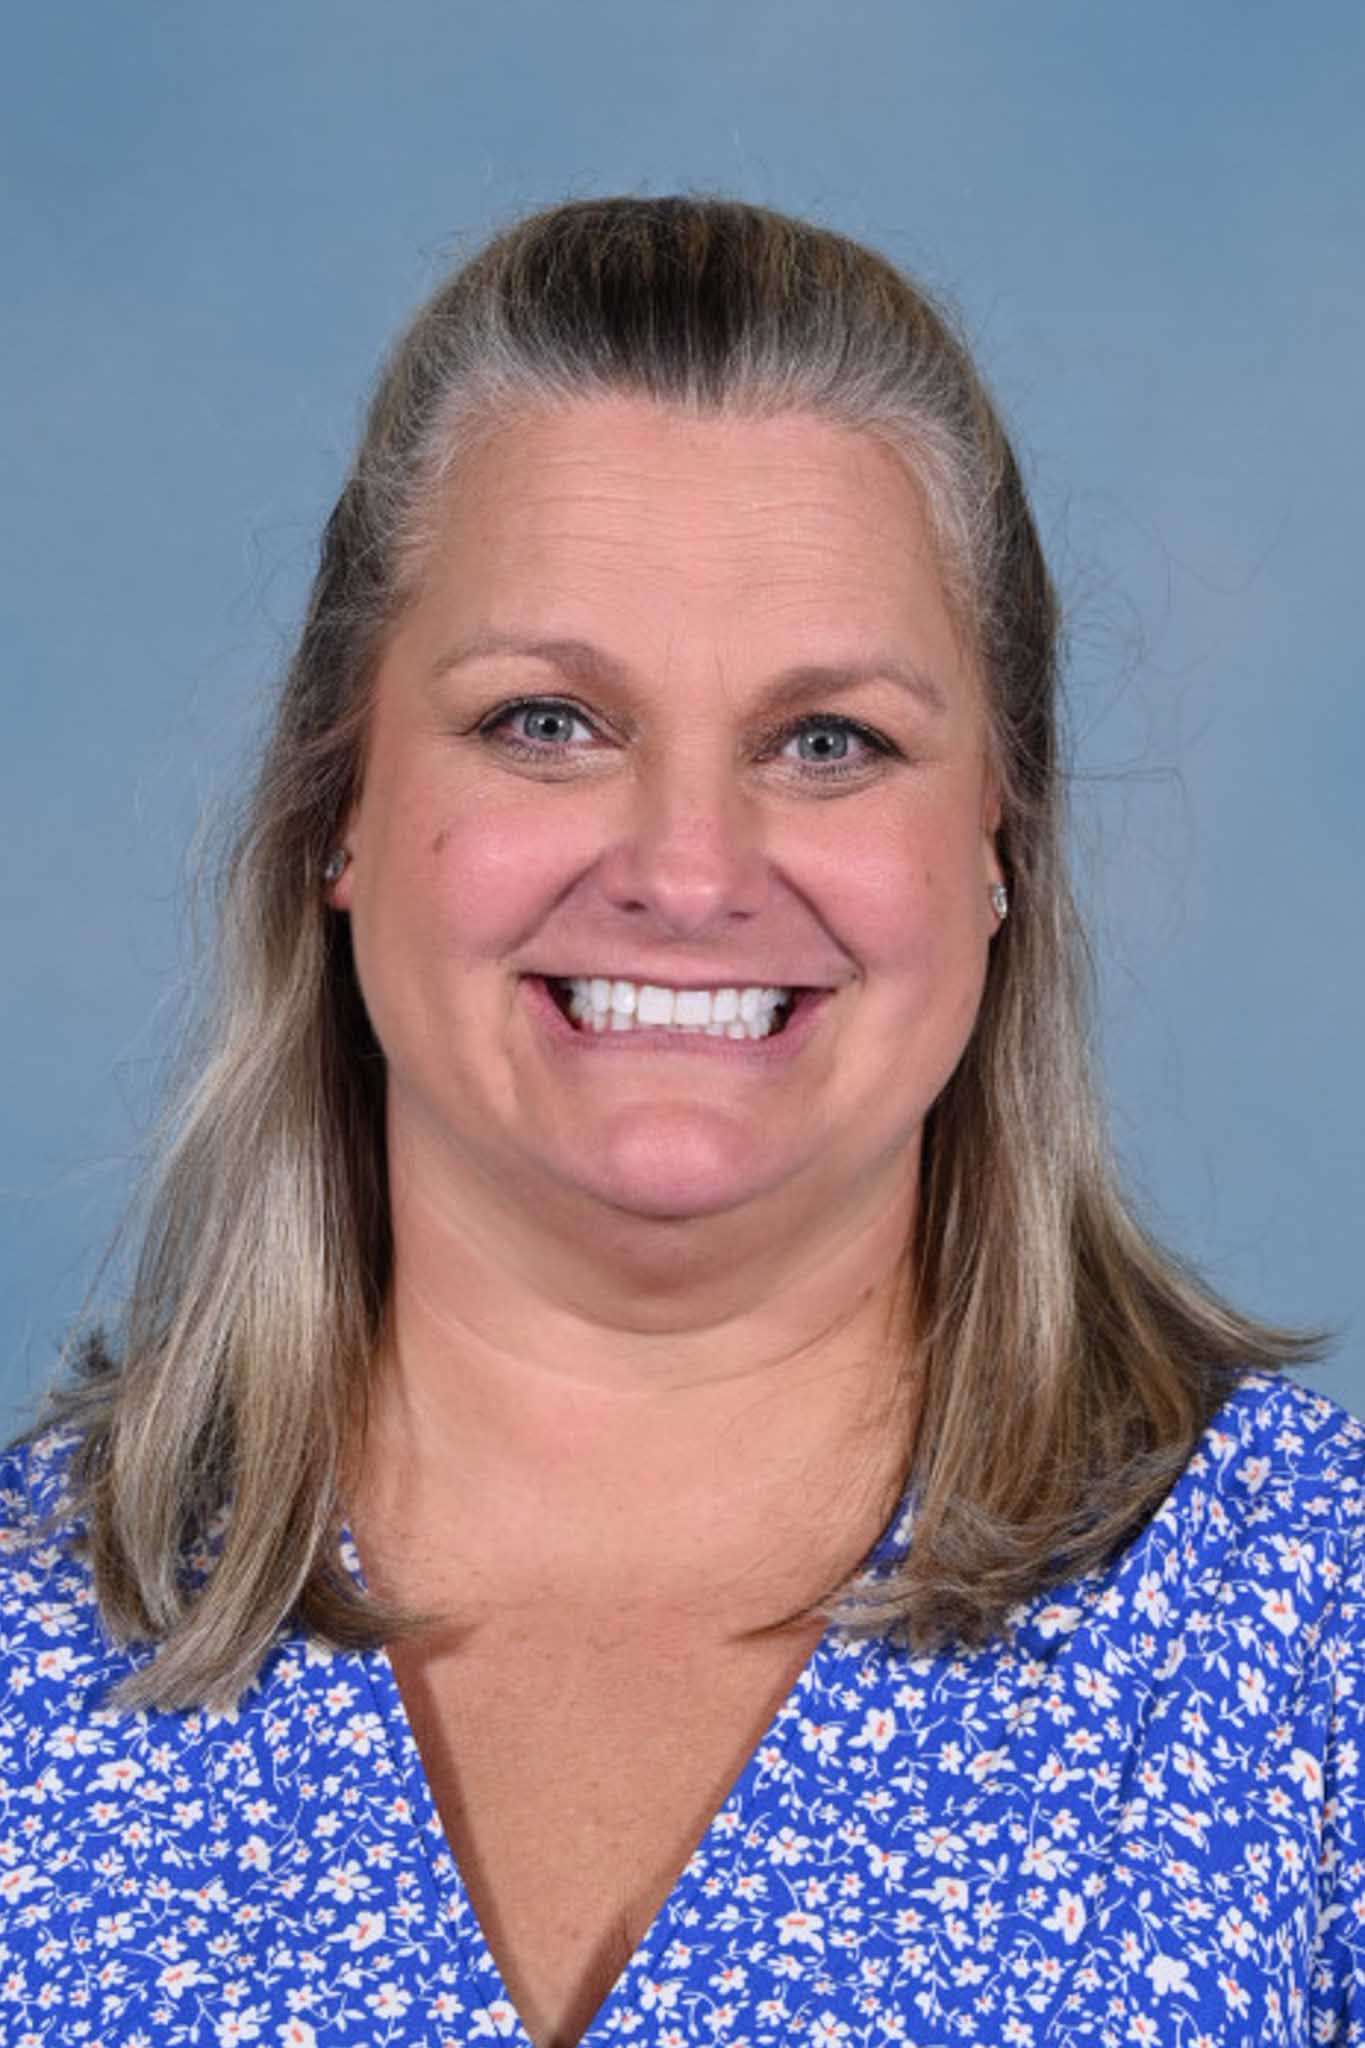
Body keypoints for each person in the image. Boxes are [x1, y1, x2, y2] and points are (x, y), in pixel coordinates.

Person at [0, 195, 1358, 2048]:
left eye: (828, 742)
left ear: (999, 845)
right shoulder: (25, 1642)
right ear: (337, 807)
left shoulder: (1314, 1641)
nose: (689, 870)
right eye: (547, 721)